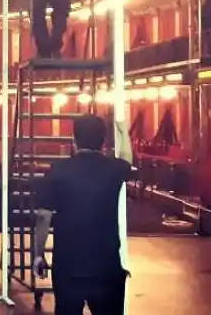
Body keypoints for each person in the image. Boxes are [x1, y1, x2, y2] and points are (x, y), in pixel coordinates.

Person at [33, 115, 133, 315]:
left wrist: (38, 254)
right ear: (103, 141)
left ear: (74, 139)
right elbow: (126, 159)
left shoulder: (57, 170)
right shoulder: (114, 168)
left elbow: (44, 217)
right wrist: (124, 132)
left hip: (68, 266)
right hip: (106, 266)